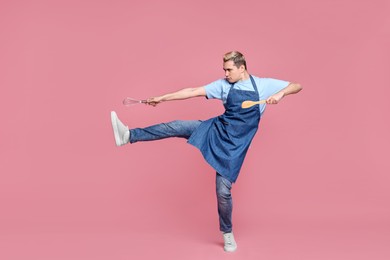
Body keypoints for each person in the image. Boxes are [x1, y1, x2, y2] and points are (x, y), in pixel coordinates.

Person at [110, 51, 302, 252]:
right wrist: (162, 98)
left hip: (235, 146)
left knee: (222, 191)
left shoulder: (262, 85)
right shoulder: (223, 86)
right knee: (176, 126)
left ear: (242, 67)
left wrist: (280, 93)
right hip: (217, 129)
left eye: (229, 69)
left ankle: (227, 233)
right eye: (224, 70)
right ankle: (128, 136)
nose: (226, 74)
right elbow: (192, 91)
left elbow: (297, 85)